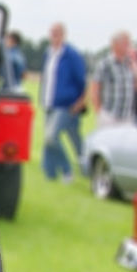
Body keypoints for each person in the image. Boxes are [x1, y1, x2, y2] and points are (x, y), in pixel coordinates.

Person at [38, 22, 88, 181]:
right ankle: (50, 173)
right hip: (49, 102)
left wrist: (80, 101)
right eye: (52, 32)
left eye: (58, 32)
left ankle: (67, 170)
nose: (55, 35)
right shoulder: (49, 53)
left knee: (51, 137)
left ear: (63, 34)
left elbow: (82, 80)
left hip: (66, 104)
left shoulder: (71, 55)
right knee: (50, 139)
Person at [90, 30, 137, 129]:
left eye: (129, 43)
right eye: (125, 43)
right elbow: (94, 89)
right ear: (115, 45)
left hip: (127, 117)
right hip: (109, 116)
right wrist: (100, 112)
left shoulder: (131, 63)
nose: (129, 46)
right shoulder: (105, 64)